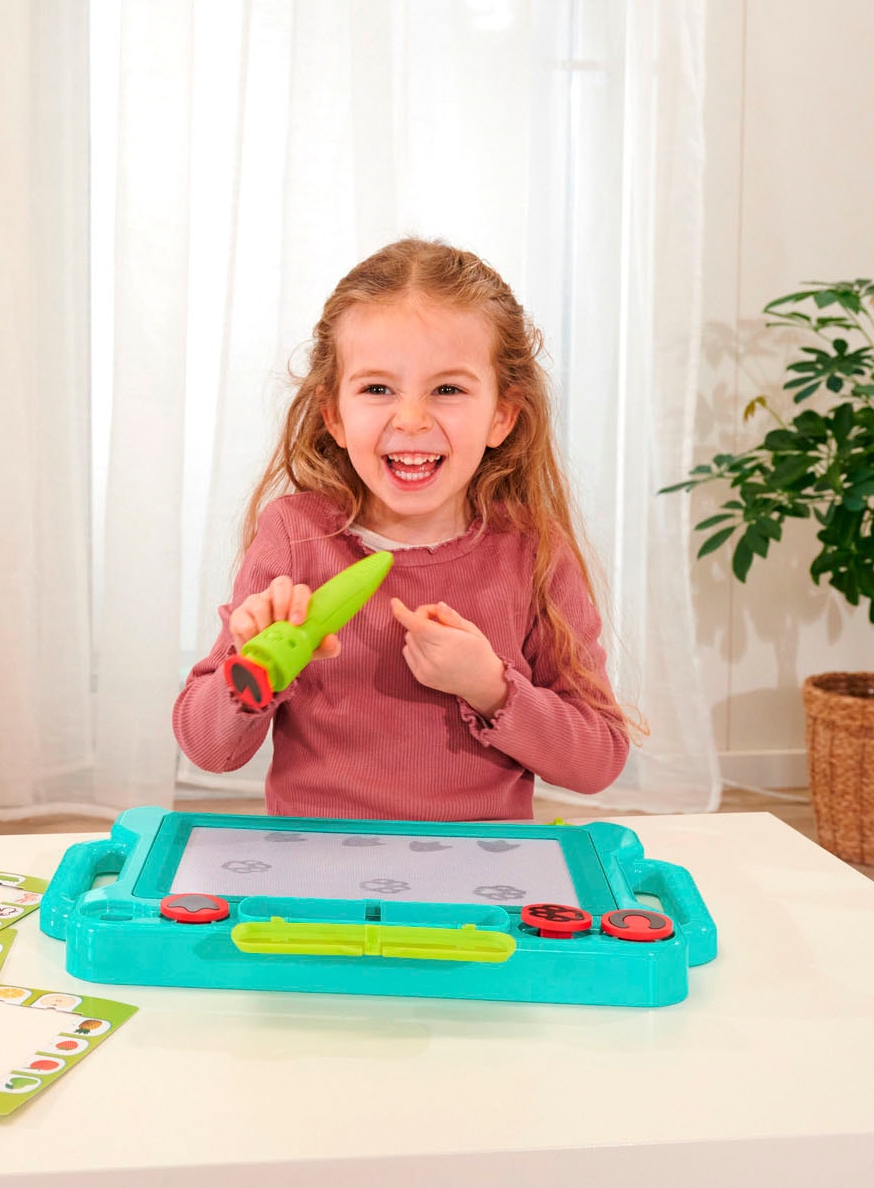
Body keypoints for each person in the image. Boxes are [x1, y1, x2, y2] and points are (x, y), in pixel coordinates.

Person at [172, 238, 637, 820]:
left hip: (480, 870)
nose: (411, 418)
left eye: (448, 389)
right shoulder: (295, 535)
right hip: (317, 863)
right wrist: (256, 664)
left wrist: (491, 686)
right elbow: (207, 749)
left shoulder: (532, 550)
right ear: (334, 415)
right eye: (377, 388)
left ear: (502, 415)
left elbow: (597, 762)